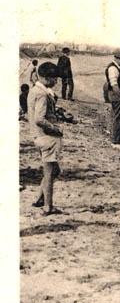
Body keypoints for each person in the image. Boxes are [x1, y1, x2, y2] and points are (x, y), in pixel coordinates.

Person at [28, 62, 63, 215]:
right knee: (50, 172)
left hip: (38, 135)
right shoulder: (42, 94)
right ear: (46, 78)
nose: (56, 81)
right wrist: (56, 129)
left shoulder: (35, 90)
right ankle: (48, 206)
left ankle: (40, 199)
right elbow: (39, 119)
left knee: (54, 170)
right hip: (47, 137)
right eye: (54, 78)